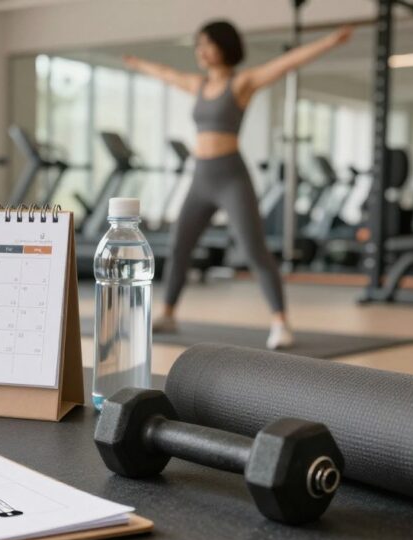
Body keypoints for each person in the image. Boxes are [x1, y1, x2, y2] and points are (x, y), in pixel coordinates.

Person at [124, 21, 353, 349]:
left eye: (207, 44)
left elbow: (285, 64)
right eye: (198, 45)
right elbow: (166, 73)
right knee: (179, 246)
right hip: (201, 177)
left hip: (231, 176)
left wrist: (330, 41)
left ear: (224, 47)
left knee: (254, 250)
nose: (200, 51)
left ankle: (280, 322)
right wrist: (138, 64)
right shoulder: (198, 85)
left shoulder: (241, 83)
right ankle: (169, 312)